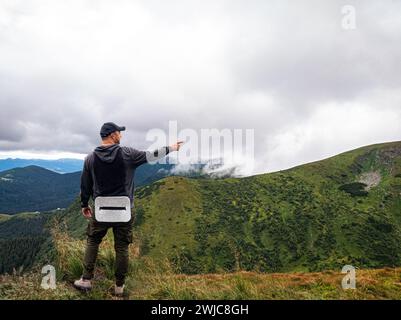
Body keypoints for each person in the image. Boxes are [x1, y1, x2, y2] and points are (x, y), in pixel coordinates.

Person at [73, 122, 183, 296]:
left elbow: (85, 185)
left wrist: (84, 204)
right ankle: (119, 287)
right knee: (122, 248)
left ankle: (86, 280)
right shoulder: (127, 154)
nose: (121, 135)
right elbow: (151, 155)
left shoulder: (90, 158)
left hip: (101, 211)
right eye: (119, 132)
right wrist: (171, 148)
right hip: (124, 211)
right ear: (112, 135)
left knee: (93, 241)